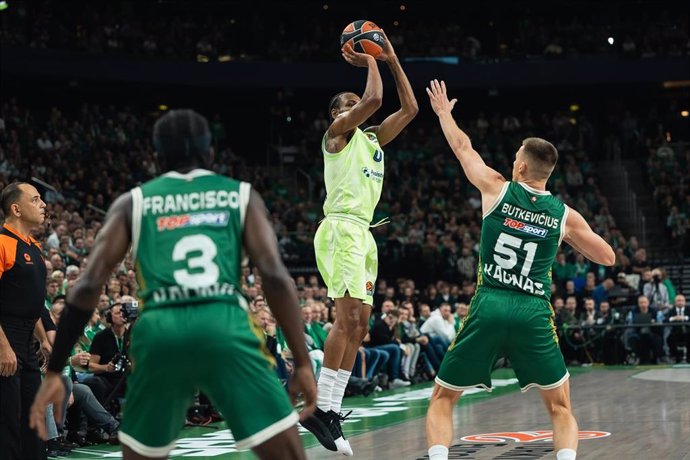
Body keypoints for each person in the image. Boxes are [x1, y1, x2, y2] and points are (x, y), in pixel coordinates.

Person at [29, 109, 316, 460]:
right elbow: (275, 277)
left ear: (157, 158)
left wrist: (56, 369)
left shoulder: (132, 203)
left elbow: (87, 287)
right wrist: (302, 362)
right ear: (210, 154)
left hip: (160, 331)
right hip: (224, 323)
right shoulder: (239, 195)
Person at [424, 80, 616, 460]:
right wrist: (566, 237)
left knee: (444, 397)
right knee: (560, 408)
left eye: (515, 157)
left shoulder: (496, 188)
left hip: (490, 303)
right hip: (533, 310)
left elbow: (463, 148)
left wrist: (445, 112)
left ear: (521, 166)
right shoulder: (564, 215)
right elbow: (607, 257)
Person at [302, 31, 418, 456]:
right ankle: (319, 406)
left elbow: (410, 108)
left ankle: (330, 410)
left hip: (363, 234)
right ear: (335, 114)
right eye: (346, 104)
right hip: (341, 229)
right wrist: (369, 59)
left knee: (361, 326)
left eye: (354, 102)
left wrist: (391, 58)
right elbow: (372, 102)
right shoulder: (337, 135)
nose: (355, 106)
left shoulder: (372, 141)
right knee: (345, 316)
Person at [0, 182, 52, 460]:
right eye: (35, 199)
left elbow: (30, 303)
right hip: (4, 338)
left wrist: (43, 339)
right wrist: (3, 347)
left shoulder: (34, 246)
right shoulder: (1, 242)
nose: (43, 204)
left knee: (34, 416)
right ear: (16, 209)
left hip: (26, 340)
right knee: (9, 419)